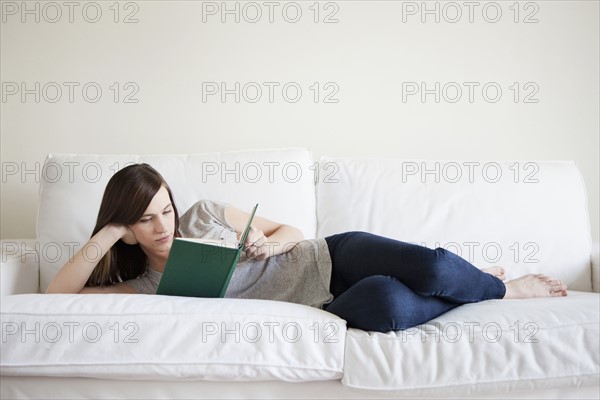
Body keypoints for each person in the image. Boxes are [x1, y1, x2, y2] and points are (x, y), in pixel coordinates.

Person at [47, 163, 568, 332]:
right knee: (387, 304)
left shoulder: (202, 213)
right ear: (126, 228)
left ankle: (500, 287)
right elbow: (57, 297)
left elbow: (290, 232)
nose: (162, 225)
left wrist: (267, 245)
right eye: (144, 220)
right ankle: (468, 285)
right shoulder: (141, 286)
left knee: (430, 267)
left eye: (165, 209)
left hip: (328, 255)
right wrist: (108, 234)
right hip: (323, 304)